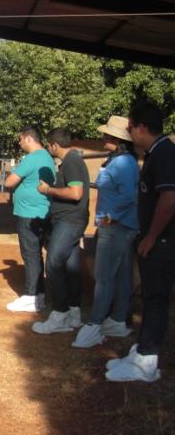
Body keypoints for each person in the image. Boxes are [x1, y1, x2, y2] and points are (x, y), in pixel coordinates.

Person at [106, 102, 175, 383]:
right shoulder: (155, 153)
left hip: (163, 242)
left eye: (131, 128)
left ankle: (147, 361)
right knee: (149, 297)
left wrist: (151, 236)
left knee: (156, 299)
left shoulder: (165, 154)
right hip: (155, 240)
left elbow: (169, 199)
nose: (129, 134)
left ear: (142, 127)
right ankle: (142, 350)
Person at [73, 116, 139, 348]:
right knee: (120, 274)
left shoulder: (122, 163)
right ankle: (118, 319)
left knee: (103, 276)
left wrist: (111, 217)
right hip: (118, 224)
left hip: (115, 226)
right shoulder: (120, 160)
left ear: (118, 140)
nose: (104, 138)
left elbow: (129, 196)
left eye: (108, 136)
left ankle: (95, 322)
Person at [31, 128, 90, 334]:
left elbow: (75, 193)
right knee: (70, 267)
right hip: (70, 220)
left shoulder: (72, 161)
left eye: (49, 145)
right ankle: (74, 312)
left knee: (54, 263)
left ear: (54, 145)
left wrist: (48, 190)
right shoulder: (71, 161)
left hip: (69, 220)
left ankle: (60, 314)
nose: (48, 148)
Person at [4, 126, 55, 312]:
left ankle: (30, 296)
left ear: (28, 139)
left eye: (20, 139)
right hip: (42, 211)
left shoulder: (32, 158)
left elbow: (10, 181)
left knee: (30, 255)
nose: (19, 143)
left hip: (28, 213)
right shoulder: (47, 157)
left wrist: (9, 177)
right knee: (36, 254)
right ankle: (39, 296)